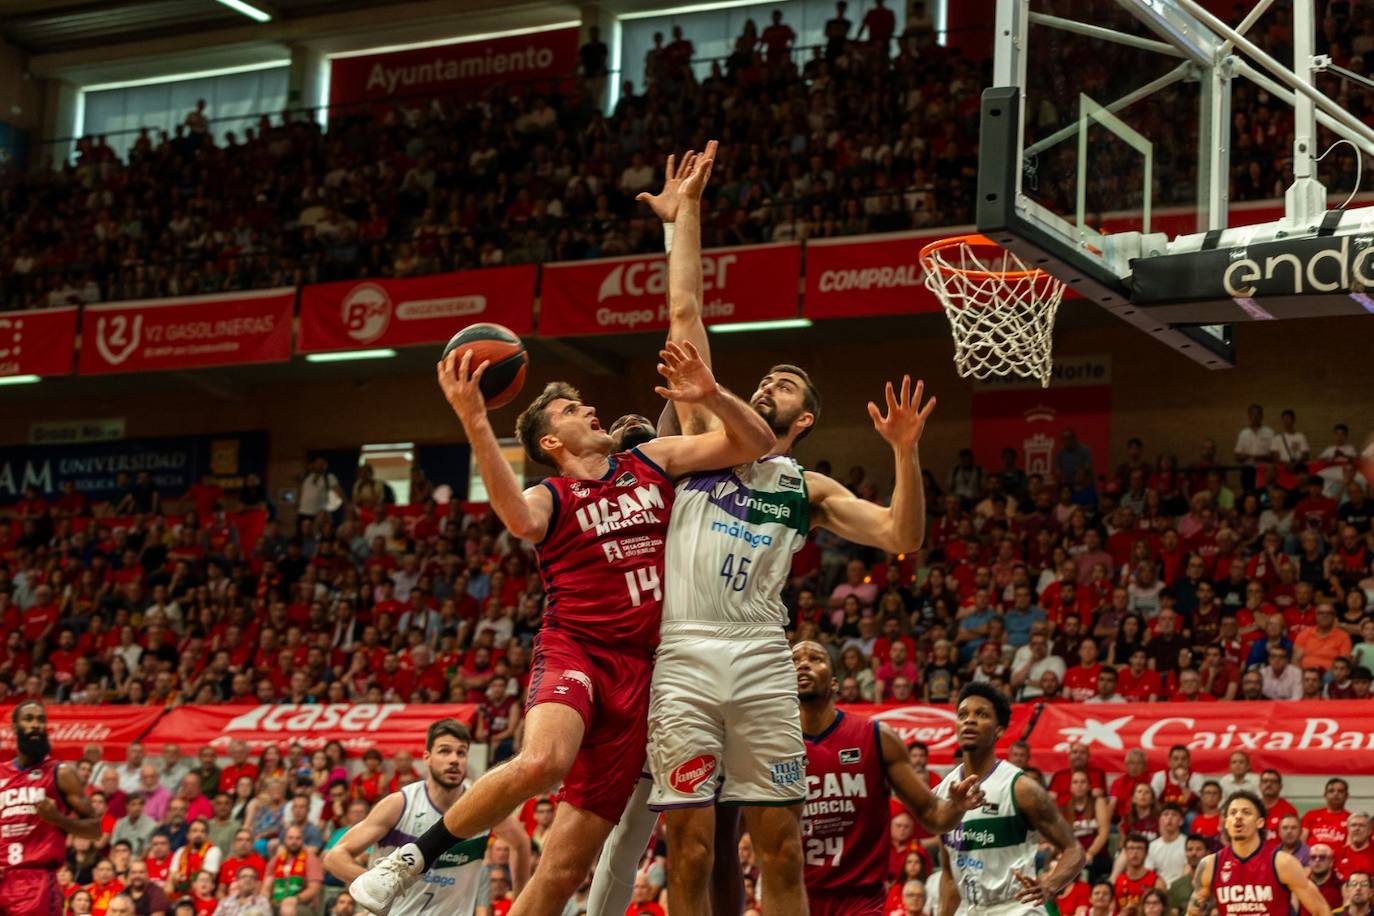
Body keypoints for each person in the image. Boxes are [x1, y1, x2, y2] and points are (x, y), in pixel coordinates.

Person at [350, 218, 775, 916]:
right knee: (543, 760)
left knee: (560, 870)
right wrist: (473, 419)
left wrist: (706, 393)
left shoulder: (651, 462)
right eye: (576, 409)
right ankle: (412, 858)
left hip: (649, 671)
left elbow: (751, 440)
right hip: (577, 648)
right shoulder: (551, 494)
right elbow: (517, 520)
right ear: (552, 438)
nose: (591, 407)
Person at [591, 142, 938, 916]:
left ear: (804, 417)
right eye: (766, 378)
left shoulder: (804, 486)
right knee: (689, 849)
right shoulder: (702, 435)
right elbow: (686, 314)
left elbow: (898, 535)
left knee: (779, 847)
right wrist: (686, 218)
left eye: (783, 384)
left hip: (760, 657)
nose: (767, 383)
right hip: (685, 650)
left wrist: (906, 456)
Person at [791, 641, 982, 915]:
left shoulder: (876, 737)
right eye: (795, 660)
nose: (804, 664)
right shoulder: (772, 746)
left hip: (860, 900)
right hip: (796, 897)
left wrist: (956, 807)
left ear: (834, 683)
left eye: (815, 658)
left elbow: (933, 815)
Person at [325, 720, 530, 915]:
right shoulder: (400, 804)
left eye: (461, 753)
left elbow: (520, 844)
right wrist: (375, 884)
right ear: (427, 757)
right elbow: (335, 857)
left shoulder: (483, 806)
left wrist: (520, 908)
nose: (454, 759)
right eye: (444, 751)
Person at [935, 683, 1086, 915]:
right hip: (970, 909)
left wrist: (1049, 884)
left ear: (999, 730)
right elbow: (948, 874)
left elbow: (1074, 850)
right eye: (963, 714)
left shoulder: (1020, 788)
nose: (970, 720)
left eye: (981, 714)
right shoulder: (942, 792)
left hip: (1016, 907)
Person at [0, 701, 101, 915]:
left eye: (40, 720)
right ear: (15, 727)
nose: (35, 725)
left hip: (37, 882)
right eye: (28, 719)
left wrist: (58, 819)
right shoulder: (1, 773)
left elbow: (95, 829)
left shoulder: (61, 773)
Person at [1186, 790, 1331, 916]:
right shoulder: (1210, 864)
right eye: (1233, 813)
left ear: (1260, 823)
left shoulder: (1282, 862)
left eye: (1246, 812)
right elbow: (1192, 912)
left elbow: (1321, 909)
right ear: (1226, 822)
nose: (1238, 816)